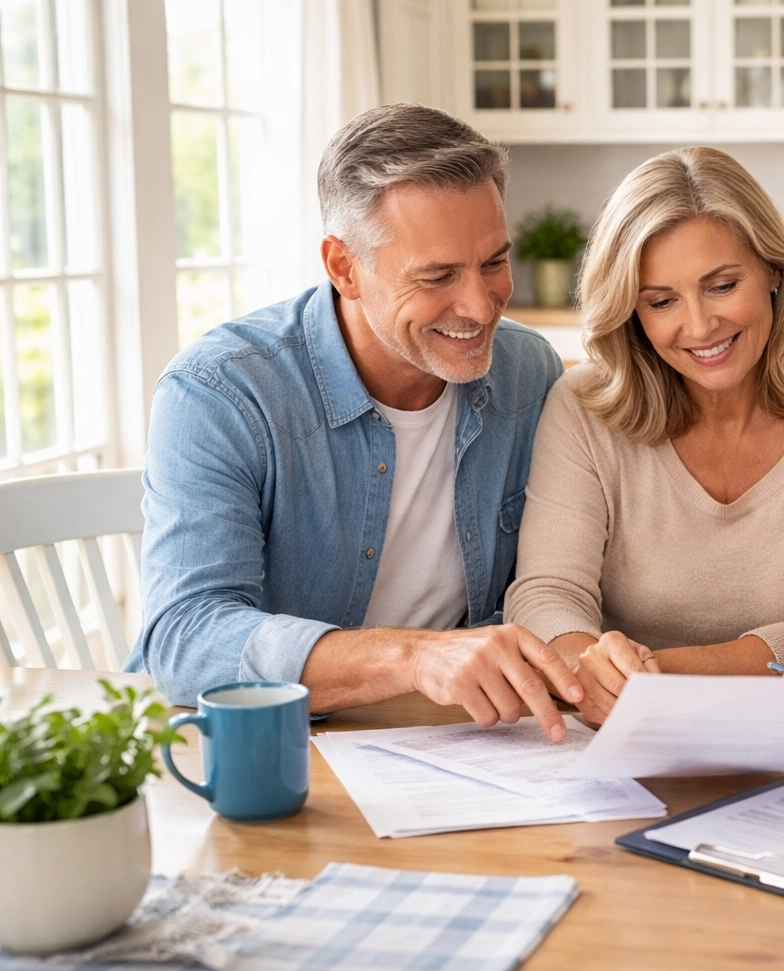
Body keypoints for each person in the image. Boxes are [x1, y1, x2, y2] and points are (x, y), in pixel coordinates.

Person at [128, 104, 584, 739]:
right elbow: (183, 639)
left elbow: (557, 574)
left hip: (453, 741)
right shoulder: (221, 392)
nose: (480, 307)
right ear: (343, 267)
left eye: (494, 262)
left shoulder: (527, 372)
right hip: (261, 748)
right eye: (438, 275)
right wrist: (415, 657)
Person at [505, 147, 784, 723]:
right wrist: (586, 668)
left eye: (722, 285)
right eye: (661, 301)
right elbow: (546, 593)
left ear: (774, 270)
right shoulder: (582, 407)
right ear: (631, 312)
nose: (699, 326)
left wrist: (655, 678)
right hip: (616, 738)